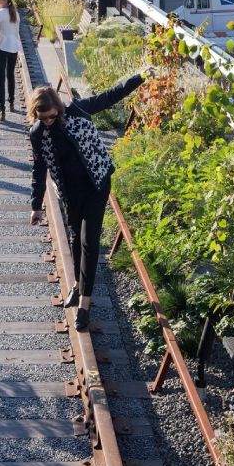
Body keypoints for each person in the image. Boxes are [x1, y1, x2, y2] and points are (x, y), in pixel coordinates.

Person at [27, 74, 148, 330]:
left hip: (96, 185)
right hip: (70, 192)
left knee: (89, 241)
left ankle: (84, 304)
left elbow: (110, 96)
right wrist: (36, 205)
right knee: (76, 238)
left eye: (51, 116)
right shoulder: (38, 133)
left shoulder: (77, 110)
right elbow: (39, 168)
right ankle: (77, 284)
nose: (48, 122)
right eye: (42, 118)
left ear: (58, 108)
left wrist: (140, 77)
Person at [0, 0, 21, 121]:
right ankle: (11, 103)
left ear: (6, 0)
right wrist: (18, 48)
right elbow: (17, 33)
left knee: (1, 79)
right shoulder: (15, 13)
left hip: (1, 47)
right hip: (13, 47)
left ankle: (2, 110)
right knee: (11, 75)